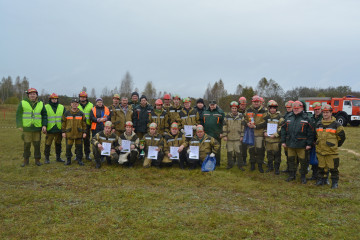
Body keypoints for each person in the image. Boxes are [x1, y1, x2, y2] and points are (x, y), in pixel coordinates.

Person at [281, 101, 314, 183]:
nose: (295, 110)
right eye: (294, 108)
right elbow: (283, 129)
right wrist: (283, 141)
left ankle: (303, 176)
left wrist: (309, 144)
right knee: (291, 160)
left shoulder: (307, 118)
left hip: (302, 145)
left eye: (297, 108)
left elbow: (311, 132)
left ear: (302, 108)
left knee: (303, 161)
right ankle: (292, 175)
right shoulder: (288, 117)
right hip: (290, 144)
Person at [315, 104, 346, 189]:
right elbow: (316, 136)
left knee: (333, 168)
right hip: (320, 151)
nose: (325, 114)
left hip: (331, 151)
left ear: (331, 113)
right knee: (321, 167)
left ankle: (334, 183)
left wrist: (335, 145)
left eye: (327, 112)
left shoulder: (337, 125)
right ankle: (321, 180)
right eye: (324, 112)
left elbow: (342, 137)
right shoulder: (319, 124)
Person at [16, 88, 47, 167]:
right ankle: (26, 160)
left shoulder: (41, 104)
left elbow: (44, 115)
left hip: (37, 128)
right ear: (28, 95)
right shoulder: (22, 103)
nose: (32, 95)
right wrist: (19, 125)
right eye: (30, 94)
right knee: (27, 145)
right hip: (27, 128)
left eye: (34, 94)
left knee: (37, 145)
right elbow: (18, 115)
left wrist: (44, 125)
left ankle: (37, 160)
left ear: (36, 95)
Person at [244, 95, 267, 172]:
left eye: (257, 102)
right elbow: (244, 119)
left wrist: (256, 126)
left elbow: (265, 122)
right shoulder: (248, 110)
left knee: (260, 150)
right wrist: (247, 124)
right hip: (250, 134)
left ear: (260, 102)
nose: (256, 103)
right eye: (255, 102)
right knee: (251, 150)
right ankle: (252, 164)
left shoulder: (264, 111)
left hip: (259, 134)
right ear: (252, 102)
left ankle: (260, 165)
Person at [62, 98, 87, 166]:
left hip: (79, 134)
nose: (74, 105)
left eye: (76, 104)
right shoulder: (66, 113)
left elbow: (84, 124)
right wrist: (63, 132)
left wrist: (84, 132)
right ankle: (68, 160)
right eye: (73, 103)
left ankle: (79, 160)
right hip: (69, 134)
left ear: (78, 105)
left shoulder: (81, 113)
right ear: (71, 104)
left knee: (79, 148)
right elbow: (63, 123)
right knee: (68, 147)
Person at [222, 101, 245, 170]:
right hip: (229, 137)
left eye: (235, 108)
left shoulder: (241, 116)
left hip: (238, 137)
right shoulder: (227, 116)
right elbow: (224, 126)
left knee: (239, 152)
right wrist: (224, 135)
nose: (234, 110)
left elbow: (243, 126)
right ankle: (230, 164)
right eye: (233, 108)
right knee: (229, 152)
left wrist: (242, 136)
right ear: (231, 109)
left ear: (237, 108)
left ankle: (240, 165)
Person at [44, 93, 65, 164]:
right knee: (48, 144)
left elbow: (65, 118)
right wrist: (44, 126)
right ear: (50, 99)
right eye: (53, 99)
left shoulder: (61, 107)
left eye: (55, 99)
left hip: (59, 129)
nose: (54, 100)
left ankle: (58, 157)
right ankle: (47, 158)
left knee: (58, 144)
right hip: (50, 129)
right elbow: (44, 117)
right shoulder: (46, 107)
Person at [263, 100, 284, 175]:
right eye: (271, 108)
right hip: (268, 140)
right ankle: (270, 167)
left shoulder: (280, 117)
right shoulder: (267, 117)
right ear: (268, 108)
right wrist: (265, 132)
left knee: (277, 155)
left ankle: (277, 169)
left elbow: (282, 127)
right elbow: (264, 126)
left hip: (276, 140)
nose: (272, 109)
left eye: (274, 108)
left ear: (276, 109)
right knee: (269, 155)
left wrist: (275, 134)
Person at [203, 100, 225, 166]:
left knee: (217, 149)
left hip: (217, 134)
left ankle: (217, 163)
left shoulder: (220, 112)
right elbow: (201, 122)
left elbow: (224, 124)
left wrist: (222, 133)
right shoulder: (205, 112)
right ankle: (208, 162)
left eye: (213, 104)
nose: (212, 106)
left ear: (216, 105)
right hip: (207, 134)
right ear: (209, 105)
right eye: (211, 104)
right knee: (207, 149)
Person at [307, 102, 323, 181]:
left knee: (321, 160)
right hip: (313, 142)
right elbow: (310, 131)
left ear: (321, 109)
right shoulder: (311, 118)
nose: (317, 111)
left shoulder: (324, 118)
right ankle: (314, 175)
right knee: (313, 159)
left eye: (318, 109)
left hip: (321, 143)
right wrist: (312, 141)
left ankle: (322, 176)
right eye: (315, 109)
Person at [77, 91, 94, 161]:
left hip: (87, 125)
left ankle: (87, 154)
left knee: (87, 141)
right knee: (78, 141)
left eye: (84, 97)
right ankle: (78, 155)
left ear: (86, 98)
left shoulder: (91, 105)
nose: (82, 98)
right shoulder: (76, 105)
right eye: (81, 97)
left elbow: (93, 115)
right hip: (78, 125)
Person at [282, 100, 294, 173]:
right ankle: (288, 168)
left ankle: (292, 169)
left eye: (289, 107)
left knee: (292, 155)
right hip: (286, 138)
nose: (288, 108)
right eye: (287, 107)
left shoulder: (294, 115)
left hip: (292, 139)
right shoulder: (285, 115)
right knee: (287, 154)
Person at [238, 96, 248, 166]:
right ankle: (236, 160)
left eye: (244, 104)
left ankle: (244, 160)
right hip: (236, 131)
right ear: (239, 104)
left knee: (244, 146)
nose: (243, 106)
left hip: (245, 131)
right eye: (242, 104)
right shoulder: (235, 111)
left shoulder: (248, 112)